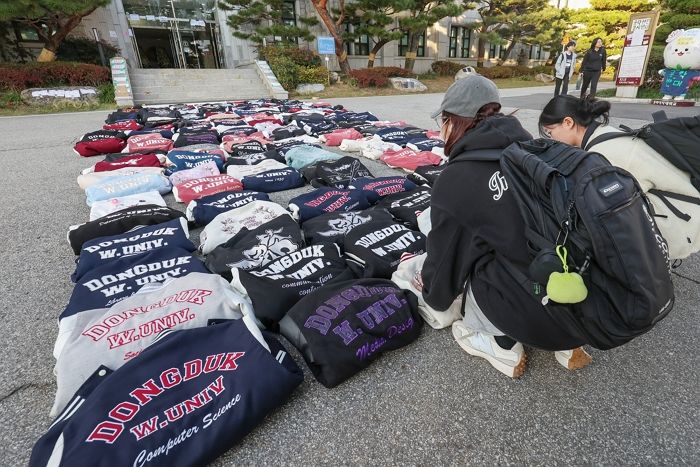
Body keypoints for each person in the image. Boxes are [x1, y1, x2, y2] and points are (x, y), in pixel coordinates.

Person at [418, 74, 592, 378]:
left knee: (474, 256)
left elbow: (447, 258)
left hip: (539, 310)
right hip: (587, 299)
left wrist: (433, 296)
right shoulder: (535, 147)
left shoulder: (456, 180)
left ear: (453, 120)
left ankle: (499, 344)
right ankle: (570, 348)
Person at [539, 95, 700, 260]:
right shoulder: (603, 133)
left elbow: (614, 210)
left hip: (683, 224)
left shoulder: (605, 154)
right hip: (685, 207)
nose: (552, 139)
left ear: (567, 122)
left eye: (550, 132)